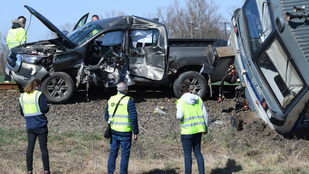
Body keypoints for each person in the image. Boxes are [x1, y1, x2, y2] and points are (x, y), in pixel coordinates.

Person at [104, 82, 139, 174]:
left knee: (113, 153)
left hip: (114, 131)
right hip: (125, 132)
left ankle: (110, 172)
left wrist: (112, 122)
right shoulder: (129, 100)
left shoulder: (111, 99)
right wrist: (135, 131)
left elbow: (106, 116)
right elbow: (133, 117)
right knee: (125, 155)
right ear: (126, 90)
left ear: (117, 89)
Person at [176, 82, 209, 174]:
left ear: (180, 91)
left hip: (186, 132)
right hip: (198, 130)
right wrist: (206, 127)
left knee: (187, 154)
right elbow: (205, 115)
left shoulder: (180, 101)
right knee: (198, 153)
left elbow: (179, 116)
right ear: (189, 89)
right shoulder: (198, 99)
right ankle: (201, 172)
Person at [19, 79, 50, 174]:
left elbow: (22, 112)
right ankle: (46, 171)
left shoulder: (23, 96)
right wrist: (48, 106)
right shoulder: (39, 95)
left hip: (30, 126)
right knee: (43, 149)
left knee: (30, 149)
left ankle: (29, 171)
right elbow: (44, 109)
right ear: (39, 86)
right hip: (41, 125)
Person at [5, 16, 27, 82]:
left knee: (9, 64)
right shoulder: (22, 30)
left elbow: (7, 42)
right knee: (20, 66)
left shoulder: (10, 30)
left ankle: (7, 80)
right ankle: (20, 81)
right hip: (18, 51)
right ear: (23, 22)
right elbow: (23, 43)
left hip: (10, 50)